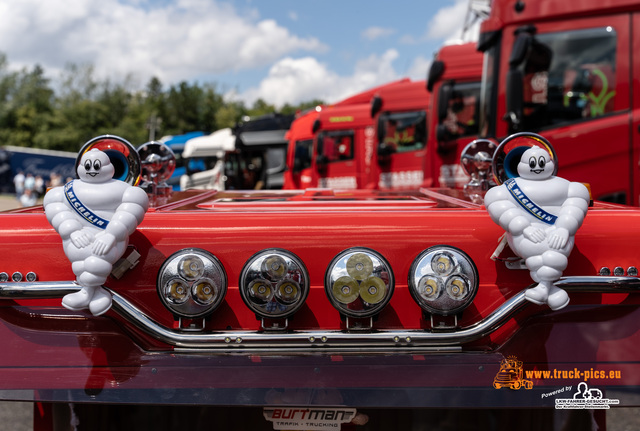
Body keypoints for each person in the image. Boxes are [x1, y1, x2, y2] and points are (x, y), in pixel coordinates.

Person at [43, 149, 149, 316]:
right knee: (80, 255)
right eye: (88, 165)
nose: (92, 169)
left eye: (97, 165)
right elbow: (57, 210)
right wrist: (72, 230)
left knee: (97, 260)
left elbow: (130, 211)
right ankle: (94, 292)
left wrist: (112, 234)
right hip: (78, 236)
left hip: (111, 238)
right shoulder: (64, 191)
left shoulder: (125, 190)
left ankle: (87, 292)